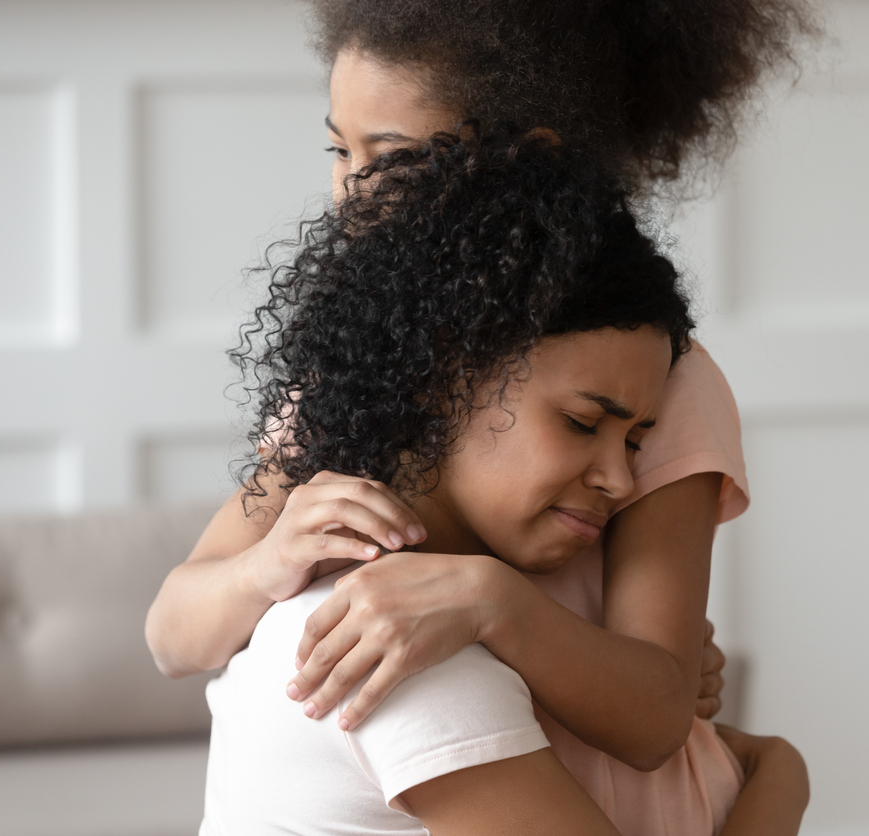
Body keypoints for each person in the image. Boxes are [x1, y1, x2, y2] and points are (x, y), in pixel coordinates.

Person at [146, 2, 816, 833]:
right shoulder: (353, 372)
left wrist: (494, 600)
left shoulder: (651, 377)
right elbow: (173, 636)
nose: (351, 191)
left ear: (518, 165)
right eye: (338, 149)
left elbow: (656, 713)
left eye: (388, 157)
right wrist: (267, 562)